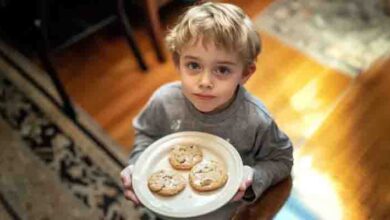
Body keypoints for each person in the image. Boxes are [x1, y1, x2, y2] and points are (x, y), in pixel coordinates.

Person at [120, 2, 293, 219]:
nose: (205, 81)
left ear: (245, 73)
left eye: (222, 69)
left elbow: (282, 160)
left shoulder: (256, 120)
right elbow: (147, 135)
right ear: (178, 62)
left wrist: (254, 177)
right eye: (193, 65)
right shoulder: (164, 101)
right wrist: (137, 165)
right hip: (166, 209)